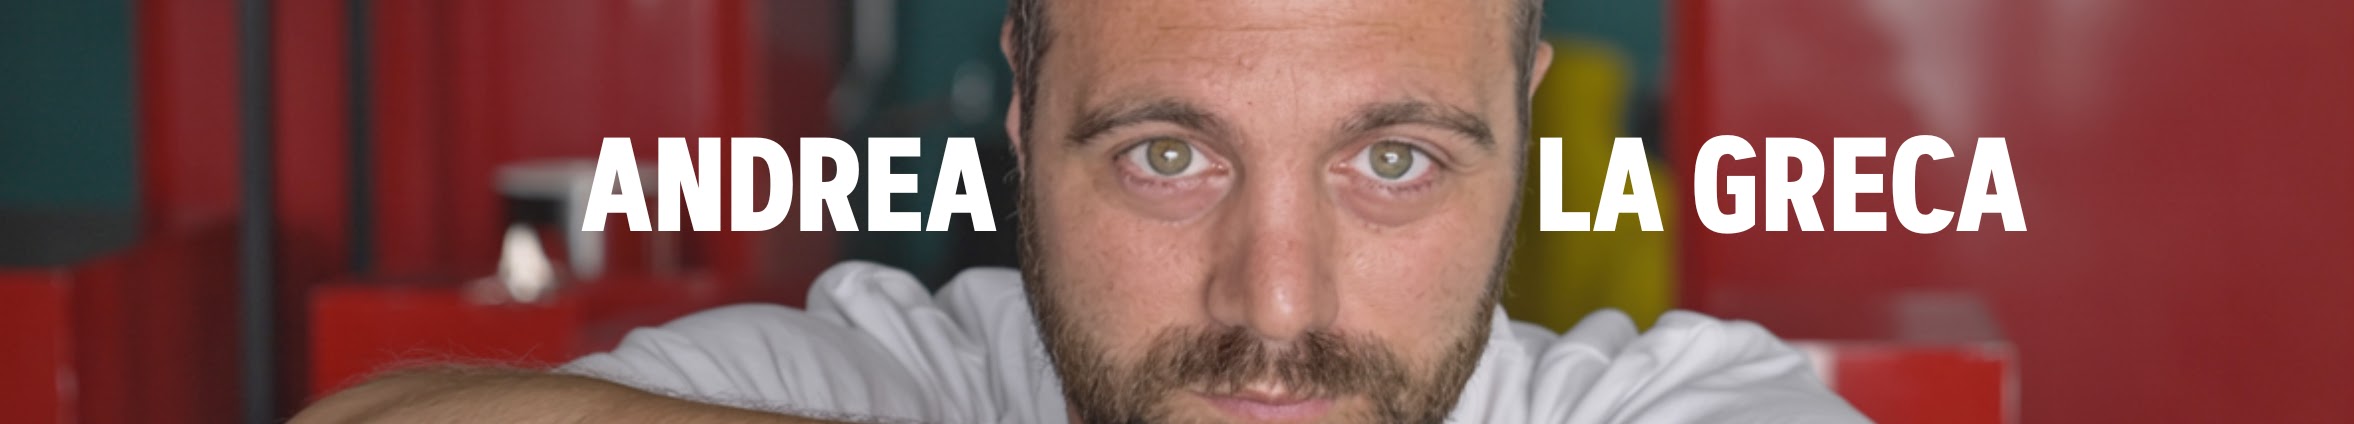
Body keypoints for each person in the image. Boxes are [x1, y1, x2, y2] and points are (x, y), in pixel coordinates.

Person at [292, 0, 1870, 422]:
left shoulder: (1658, 399)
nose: (1274, 307)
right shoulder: (917, 377)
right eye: (1166, 157)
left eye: (1393, 161)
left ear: (1520, 131)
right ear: (1026, 114)